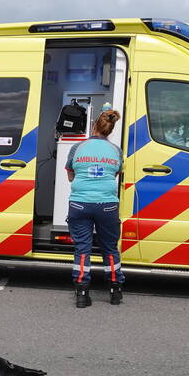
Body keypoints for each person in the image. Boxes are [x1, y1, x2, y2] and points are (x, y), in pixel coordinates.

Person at [65, 109, 124, 308]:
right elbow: (115, 174)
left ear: (94, 125)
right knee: (109, 247)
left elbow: (70, 175)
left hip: (79, 203)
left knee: (83, 248)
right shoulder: (116, 150)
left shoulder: (78, 147)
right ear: (111, 128)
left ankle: (82, 293)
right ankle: (115, 291)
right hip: (107, 205)